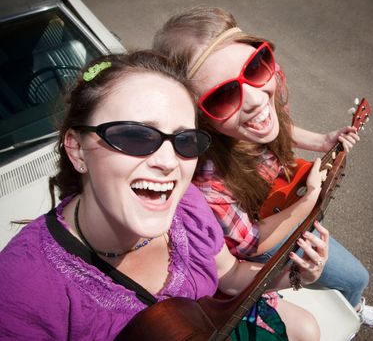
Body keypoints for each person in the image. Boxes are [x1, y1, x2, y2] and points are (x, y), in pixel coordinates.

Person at [0, 51, 330, 340]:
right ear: (77, 150)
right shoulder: (21, 287)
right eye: (135, 135)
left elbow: (228, 275)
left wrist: (297, 274)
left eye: (185, 141)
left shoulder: (188, 206)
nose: (169, 162)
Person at [153, 6, 373, 328]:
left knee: (352, 278)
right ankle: (353, 308)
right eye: (223, 96)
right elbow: (249, 243)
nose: (253, 98)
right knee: (354, 276)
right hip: (264, 231)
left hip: (278, 201)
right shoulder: (206, 180)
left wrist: (321, 141)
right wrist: (308, 202)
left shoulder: (267, 80)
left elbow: (270, 125)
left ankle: (352, 306)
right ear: (199, 117)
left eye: (255, 66)